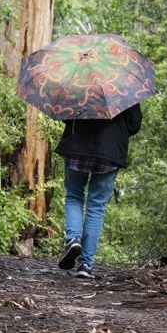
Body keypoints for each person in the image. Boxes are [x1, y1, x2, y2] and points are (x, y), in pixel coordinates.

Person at [55, 103, 142, 278]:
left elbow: (64, 113)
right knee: (97, 206)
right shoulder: (121, 87)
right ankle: (85, 264)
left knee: (74, 196)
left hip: (77, 143)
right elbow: (134, 123)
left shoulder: (78, 82)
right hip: (110, 150)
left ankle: (73, 239)